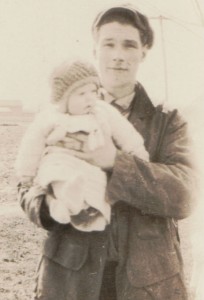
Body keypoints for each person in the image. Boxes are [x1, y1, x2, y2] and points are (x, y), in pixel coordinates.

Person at [17, 4, 196, 300]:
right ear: (94, 51)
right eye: (108, 44)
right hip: (71, 279)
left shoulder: (168, 120)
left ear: (144, 52)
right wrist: (51, 206)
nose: (118, 55)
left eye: (129, 45)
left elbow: (186, 194)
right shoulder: (57, 114)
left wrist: (115, 162)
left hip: (149, 283)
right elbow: (26, 184)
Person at [15, 59, 149, 232]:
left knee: (97, 185)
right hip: (60, 162)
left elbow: (125, 132)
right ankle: (61, 205)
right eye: (81, 94)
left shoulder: (102, 111)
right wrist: (26, 174)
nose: (90, 98)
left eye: (93, 91)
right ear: (64, 99)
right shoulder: (50, 117)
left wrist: (138, 152)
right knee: (56, 173)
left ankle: (83, 210)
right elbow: (31, 144)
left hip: (91, 165)